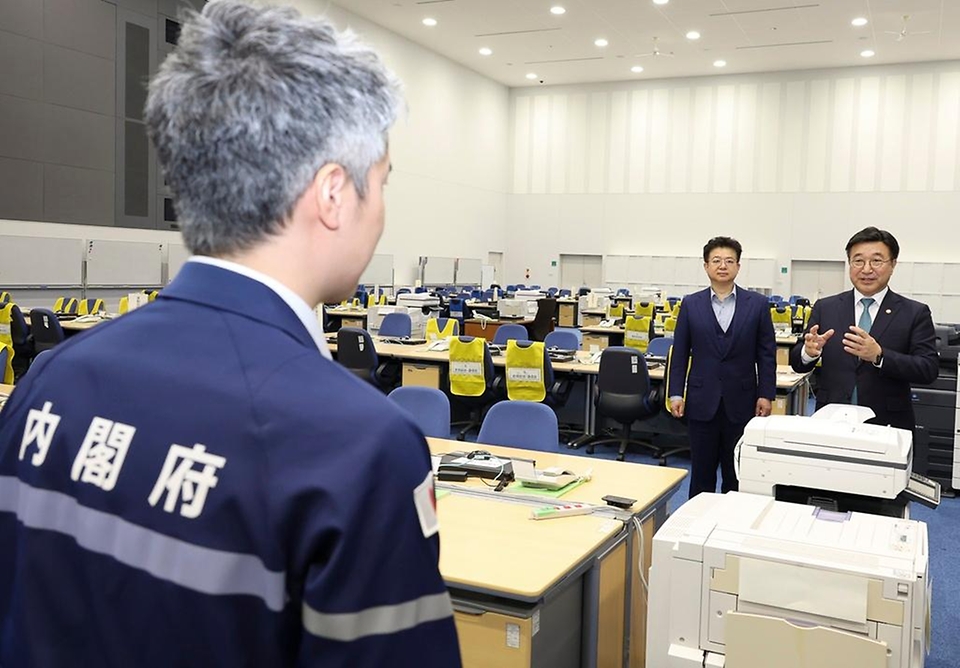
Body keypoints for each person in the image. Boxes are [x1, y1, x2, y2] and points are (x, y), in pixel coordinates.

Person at [0, 3, 462, 666]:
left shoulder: (49, 382)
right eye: (382, 183)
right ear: (334, 194)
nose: (382, 212)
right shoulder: (360, 450)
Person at [790, 227, 938, 430]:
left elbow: (928, 370)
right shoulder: (826, 308)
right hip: (830, 421)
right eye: (858, 261)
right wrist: (808, 353)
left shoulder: (914, 312)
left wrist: (880, 356)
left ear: (893, 264)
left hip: (887, 424)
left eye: (876, 261)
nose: (866, 269)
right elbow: (798, 363)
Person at [668, 236, 777, 498]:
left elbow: (766, 353)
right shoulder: (691, 304)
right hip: (701, 398)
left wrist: (766, 393)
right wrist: (675, 392)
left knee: (736, 472)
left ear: (738, 267)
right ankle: (696, 525)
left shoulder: (758, 305)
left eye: (729, 261)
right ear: (706, 266)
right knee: (702, 472)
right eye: (716, 260)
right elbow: (680, 352)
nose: (722, 266)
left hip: (742, 399)